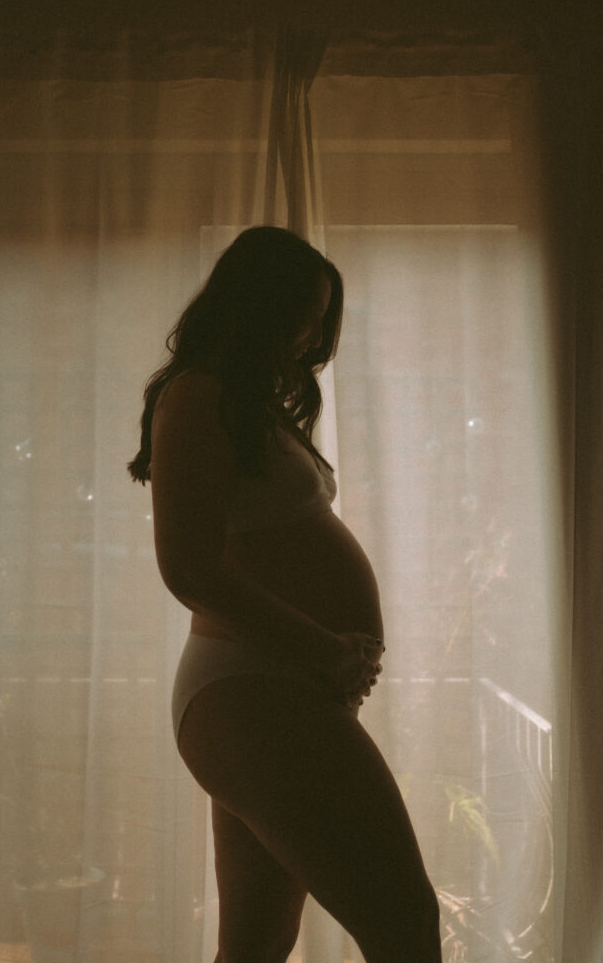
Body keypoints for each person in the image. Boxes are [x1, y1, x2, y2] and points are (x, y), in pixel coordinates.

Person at [128, 227, 442, 963]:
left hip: (270, 691)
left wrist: (325, 660)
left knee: (256, 948)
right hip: (254, 688)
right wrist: (322, 649)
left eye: (320, 316)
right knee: (404, 924)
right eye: (301, 312)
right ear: (255, 307)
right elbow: (188, 567)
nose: (309, 336)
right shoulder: (198, 396)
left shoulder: (244, 402)